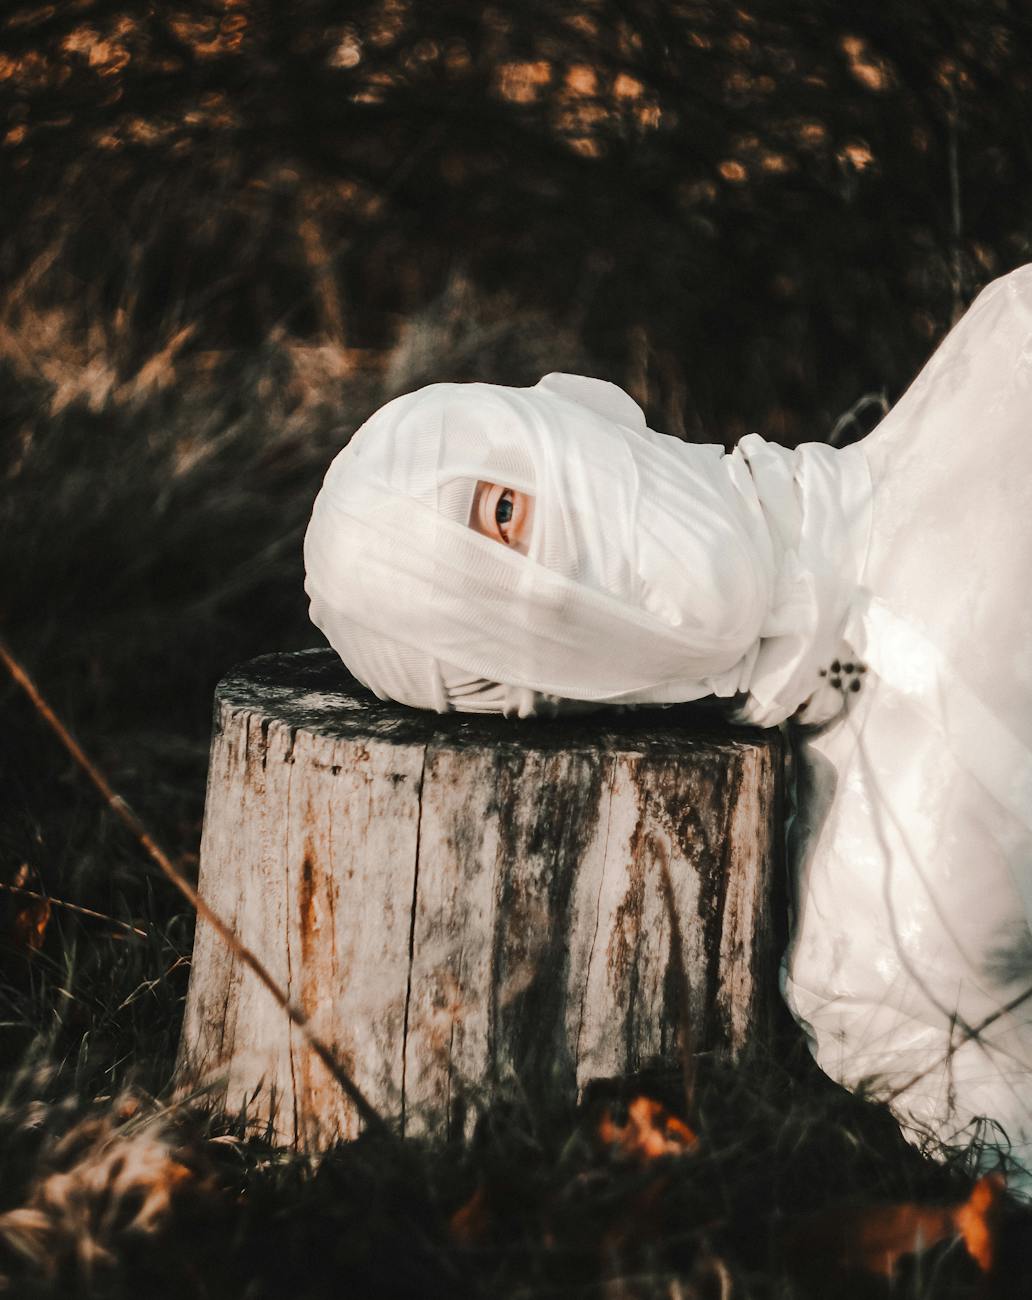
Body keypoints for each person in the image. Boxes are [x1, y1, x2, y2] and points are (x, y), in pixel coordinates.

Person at [304, 266, 1032, 1192]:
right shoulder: (870, 965)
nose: (565, 605)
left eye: (504, 514)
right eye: (510, 674)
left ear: (586, 412)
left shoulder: (1016, 356)